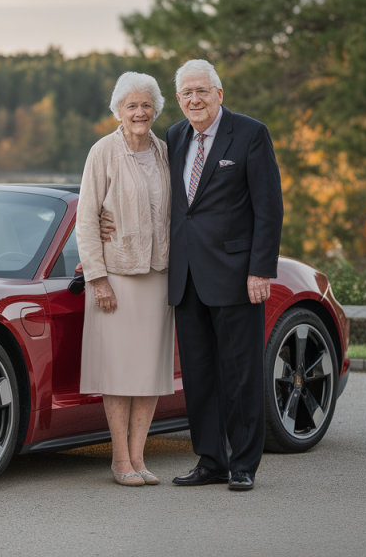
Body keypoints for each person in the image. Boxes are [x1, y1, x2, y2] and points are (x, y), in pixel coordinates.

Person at [104, 60, 283, 491]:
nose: (194, 100)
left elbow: (269, 207)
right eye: (186, 93)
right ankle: (210, 460)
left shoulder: (250, 133)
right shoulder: (175, 137)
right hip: (184, 279)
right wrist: (104, 231)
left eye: (202, 91)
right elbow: (157, 201)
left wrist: (260, 269)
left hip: (236, 276)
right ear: (179, 101)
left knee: (241, 374)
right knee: (200, 376)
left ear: (219, 94)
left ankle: (242, 464)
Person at [75, 72, 174, 487]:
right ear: (118, 110)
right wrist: (97, 278)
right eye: (131, 105)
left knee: (148, 372)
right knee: (118, 373)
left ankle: (139, 458)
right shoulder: (103, 152)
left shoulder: (167, 152)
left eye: (146, 104)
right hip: (116, 277)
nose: (140, 112)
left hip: (158, 275)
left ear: (156, 109)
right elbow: (85, 220)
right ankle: (119, 460)